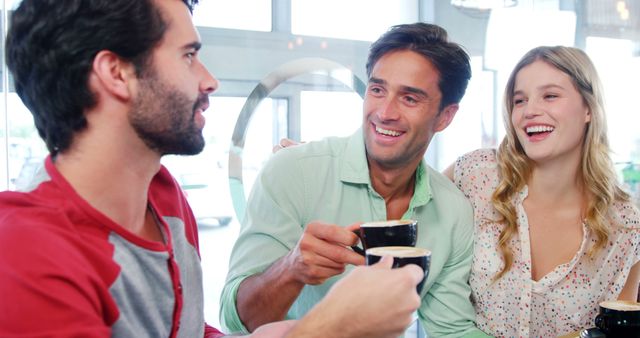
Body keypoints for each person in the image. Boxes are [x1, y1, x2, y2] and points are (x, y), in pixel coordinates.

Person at [0, 0, 426, 337]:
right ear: (116, 73)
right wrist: (326, 331)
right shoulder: (26, 256)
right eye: (188, 56)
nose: (209, 81)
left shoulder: (164, 197)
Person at [221, 23, 491, 337]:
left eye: (410, 98)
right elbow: (236, 319)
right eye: (377, 90)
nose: (385, 112)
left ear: (445, 116)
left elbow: (452, 330)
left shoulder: (453, 210)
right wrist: (291, 269)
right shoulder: (291, 172)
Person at [443, 46, 640, 337]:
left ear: (588, 108)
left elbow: (617, 332)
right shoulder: (475, 175)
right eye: (519, 100)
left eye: (550, 95)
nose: (529, 111)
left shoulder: (626, 226)